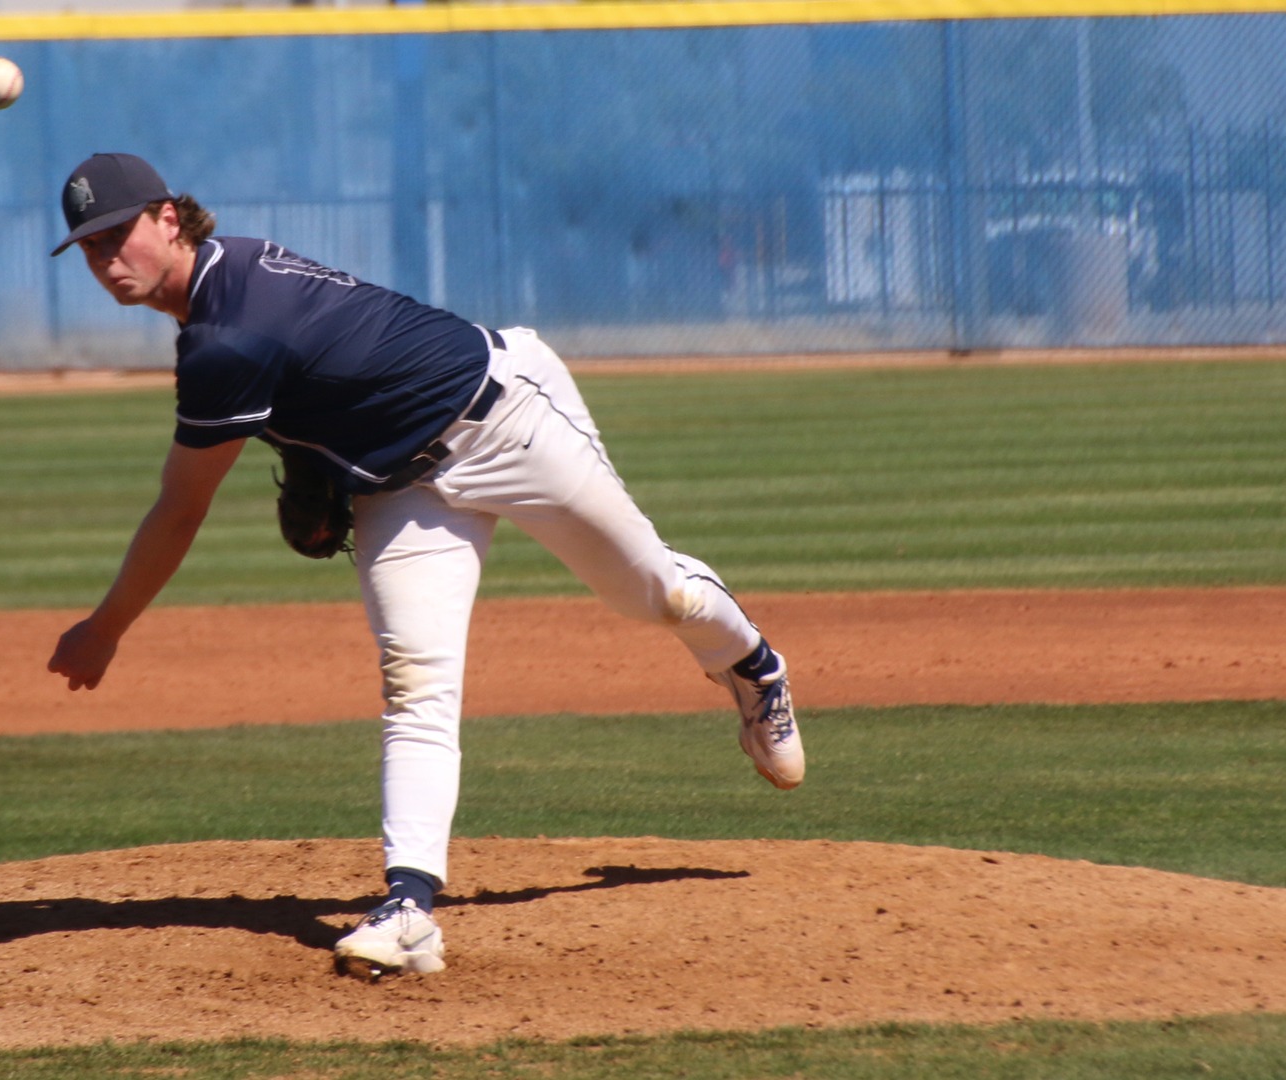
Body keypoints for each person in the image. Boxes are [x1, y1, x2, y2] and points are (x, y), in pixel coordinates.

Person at [43, 152, 804, 979]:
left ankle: (753, 665)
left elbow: (181, 508)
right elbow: (328, 360)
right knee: (416, 676)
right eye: (88, 248)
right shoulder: (233, 274)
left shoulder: (225, 336)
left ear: (166, 218)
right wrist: (314, 453)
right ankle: (410, 910)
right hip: (402, 490)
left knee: (653, 592)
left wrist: (105, 628)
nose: (107, 258)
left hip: (505, 423)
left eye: (118, 233)